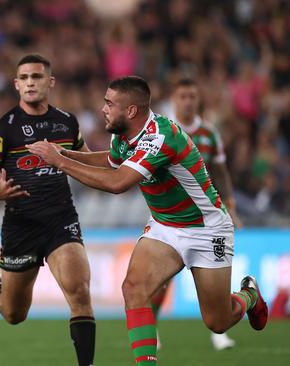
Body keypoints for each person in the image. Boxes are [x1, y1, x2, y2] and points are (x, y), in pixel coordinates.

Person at [27, 76, 268, 366]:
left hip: (205, 228)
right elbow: (112, 162)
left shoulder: (161, 137)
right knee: (133, 288)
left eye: (109, 103)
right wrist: (65, 153)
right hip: (165, 227)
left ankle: (249, 295)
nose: (102, 108)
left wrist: (61, 162)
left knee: (218, 321)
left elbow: (118, 182)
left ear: (130, 110)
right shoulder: (123, 133)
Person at [0, 54, 95, 366]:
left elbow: (87, 159)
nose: (30, 83)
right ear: (16, 85)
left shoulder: (67, 123)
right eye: (24, 78)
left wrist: (120, 160)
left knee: (80, 293)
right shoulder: (2, 129)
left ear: (50, 82)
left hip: (60, 220)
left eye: (37, 77)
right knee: (14, 314)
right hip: (21, 226)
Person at [151, 78, 240, 351]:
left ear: (198, 99)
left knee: (213, 278)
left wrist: (231, 205)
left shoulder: (208, 133)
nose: (188, 101)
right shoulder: (163, 130)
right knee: (157, 280)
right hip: (169, 216)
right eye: (183, 96)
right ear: (173, 99)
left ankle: (219, 333)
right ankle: (152, 329)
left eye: (192, 96)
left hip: (206, 218)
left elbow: (220, 173)